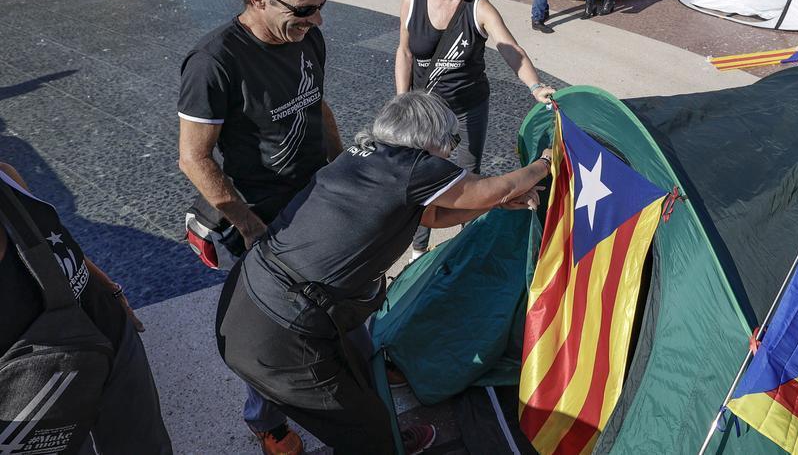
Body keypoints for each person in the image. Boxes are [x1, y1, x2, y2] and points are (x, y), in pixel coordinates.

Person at [218, 92, 551, 455]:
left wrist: (498, 202)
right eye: (451, 140)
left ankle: (386, 434)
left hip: (246, 300)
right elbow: (491, 187)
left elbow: (433, 216)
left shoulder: (362, 157)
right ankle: (384, 441)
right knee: (365, 433)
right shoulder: (413, 166)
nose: (453, 150)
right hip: (281, 332)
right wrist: (544, 163)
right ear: (428, 136)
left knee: (364, 377)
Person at [178, 0, 344, 455]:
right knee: (269, 327)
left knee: (334, 302)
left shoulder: (305, 37)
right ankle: (265, 420)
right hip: (262, 213)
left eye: (321, 6)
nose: (316, 19)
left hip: (315, 194)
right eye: (303, 8)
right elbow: (193, 158)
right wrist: (248, 226)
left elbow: (318, 108)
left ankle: (347, 381)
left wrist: (346, 170)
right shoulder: (215, 62)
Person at [394, 0, 555, 260]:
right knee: (421, 180)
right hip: (426, 115)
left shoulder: (478, 6)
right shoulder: (413, 1)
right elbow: (405, 52)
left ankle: (469, 242)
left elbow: (511, 49)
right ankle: (419, 250)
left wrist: (535, 86)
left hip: (468, 109)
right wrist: (402, 100)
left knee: (468, 179)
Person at [0, 162, 173, 454]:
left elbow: (50, 243)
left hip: (110, 337)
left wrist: (106, 285)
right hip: (38, 384)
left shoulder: (6, 176)